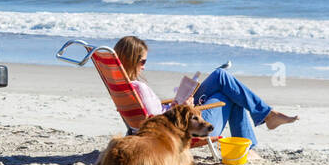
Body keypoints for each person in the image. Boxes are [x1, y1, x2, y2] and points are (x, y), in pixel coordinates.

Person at [113, 35, 297, 149]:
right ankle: (256, 135)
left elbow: (151, 116)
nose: (145, 66)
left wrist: (178, 103)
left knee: (220, 76)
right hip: (183, 126)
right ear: (130, 60)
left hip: (175, 117)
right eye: (142, 61)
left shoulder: (124, 86)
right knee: (228, 93)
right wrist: (183, 107)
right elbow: (155, 122)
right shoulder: (140, 88)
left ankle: (266, 117)